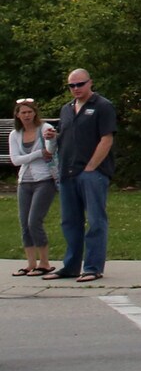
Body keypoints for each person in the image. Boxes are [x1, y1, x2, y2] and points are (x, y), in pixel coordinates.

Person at [52, 69, 115, 282]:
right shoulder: (66, 110)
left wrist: (91, 167)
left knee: (95, 220)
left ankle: (93, 267)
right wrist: (54, 136)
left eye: (80, 84)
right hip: (67, 173)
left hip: (91, 173)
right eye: (72, 86)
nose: (76, 89)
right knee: (70, 221)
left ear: (90, 83)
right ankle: (70, 266)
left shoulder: (102, 106)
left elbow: (106, 139)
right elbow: (66, 137)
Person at [9, 98, 58, 276]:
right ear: (18, 115)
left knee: (34, 221)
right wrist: (38, 153)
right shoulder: (15, 134)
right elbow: (15, 160)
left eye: (30, 112)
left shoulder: (44, 129)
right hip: (25, 181)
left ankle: (44, 262)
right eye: (23, 112)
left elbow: (50, 150)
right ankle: (30, 263)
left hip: (44, 179)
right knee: (24, 223)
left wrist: (51, 141)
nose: (27, 115)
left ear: (35, 113)